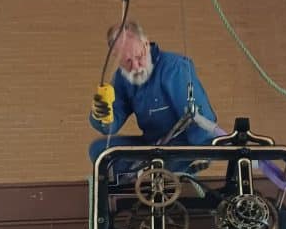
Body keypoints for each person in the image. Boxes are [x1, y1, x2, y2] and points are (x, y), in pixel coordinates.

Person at [88, 20, 217, 164]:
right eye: (127, 61)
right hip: (151, 145)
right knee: (100, 151)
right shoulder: (122, 78)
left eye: (139, 57)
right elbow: (111, 124)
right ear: (116, 58)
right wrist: (102, 116)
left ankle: (155, 172)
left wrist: (201, 154)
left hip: (180, 147)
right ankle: (141, 173)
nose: (135, 67)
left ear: (146, 44)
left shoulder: (174, 68)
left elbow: (199, 117)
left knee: (165, 164)